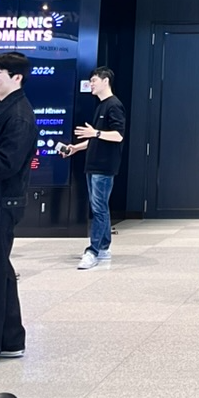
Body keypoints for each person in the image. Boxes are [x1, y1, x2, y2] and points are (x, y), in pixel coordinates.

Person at [0, 52, 35, 368]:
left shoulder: (18, 116)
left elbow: (7, 163)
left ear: (17, 77)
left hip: (0, 202)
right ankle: (11, 340)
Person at [58, 66, 126, 270]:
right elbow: (97, 138)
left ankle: (93, 250)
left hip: (104, 166)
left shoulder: (114, 105)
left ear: (106, 81)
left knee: (98, 209)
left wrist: (95, 133)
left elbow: (118, 135)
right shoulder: (101, 106)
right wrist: (75, 148)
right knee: (100, 207)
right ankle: (103, 247)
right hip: (94, 164)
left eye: (94, 80)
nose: (91, 84)